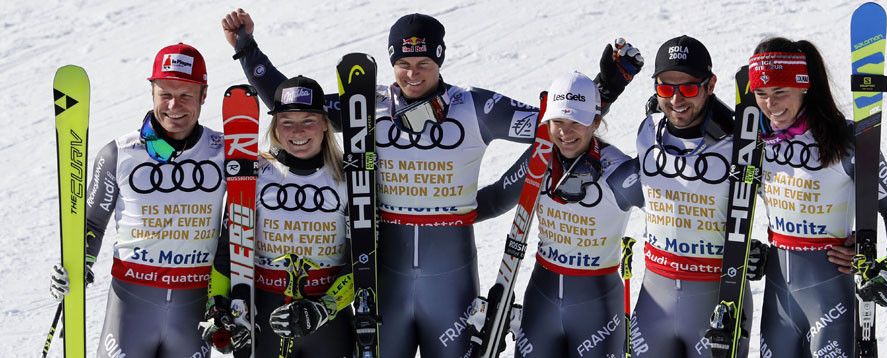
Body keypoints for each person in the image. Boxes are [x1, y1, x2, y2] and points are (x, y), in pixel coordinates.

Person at [219, 8, 625, 357]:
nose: (412, 75)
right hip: (386, 278)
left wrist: (602, 91)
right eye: (403, 64)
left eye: (424, 64)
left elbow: (556, 126)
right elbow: (292, 103)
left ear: (441, 60)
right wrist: (247, 49)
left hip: (451, 281)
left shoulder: (475, 106)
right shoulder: (367, 104)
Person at [745, 37, 887, 358]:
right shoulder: (753, 144)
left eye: (781, 92)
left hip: (831, 296)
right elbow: (723, 203)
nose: (771, 104)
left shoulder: (848, 142)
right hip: (778, 299)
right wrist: (743, 250)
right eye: (762, 94)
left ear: (804, 87)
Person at [48, 43, 222, 357]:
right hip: (131, 303)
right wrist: (76, 263)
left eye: (185, 94)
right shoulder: (120, 154)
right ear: (152, 91)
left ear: (203, 94)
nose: (174, 105)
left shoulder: (224, 153)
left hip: (193, 306)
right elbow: (89, 222)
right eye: (164, 93)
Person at [476, 71, 645, 357]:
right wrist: (431, 216)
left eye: (576, 122)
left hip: (598, 310)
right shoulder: (539, 158)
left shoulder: (617, 171)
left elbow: (672, 207)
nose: (565, 133)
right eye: (557, 122)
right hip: (542, 299)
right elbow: (493, 200)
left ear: (595, 121)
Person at [198, 76, 355, 357]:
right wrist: (218, 305)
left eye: (308, 120)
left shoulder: (347, 178)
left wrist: (326, 306)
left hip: (327, 321)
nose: (297, 131)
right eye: (286, 121)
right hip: (264, 315)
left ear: (324, 123)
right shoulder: (255, 174)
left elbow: (363, 260)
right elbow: (226, 250)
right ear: (274, 126)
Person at [623, 35, 753, 357]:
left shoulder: (741, 145)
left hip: (717, 301)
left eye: (689, 88)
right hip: (655, 301)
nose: (677, 100)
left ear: (710, 85)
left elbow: (789, 200)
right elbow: (575, 129)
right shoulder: (647, 132)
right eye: (666, 88)